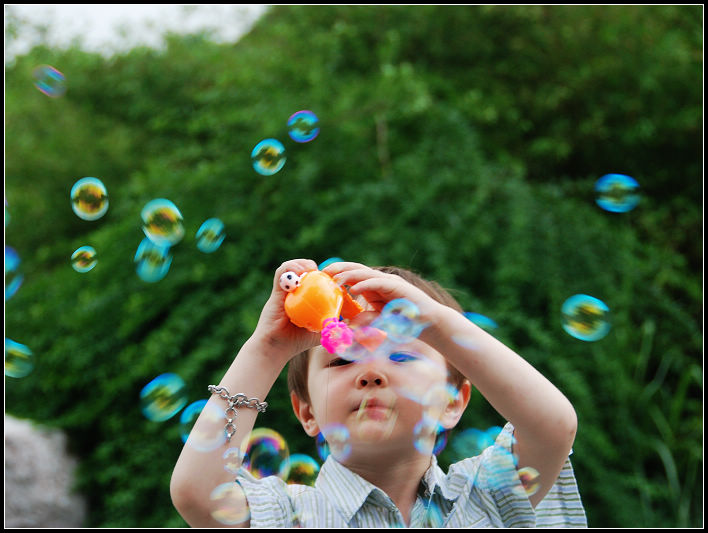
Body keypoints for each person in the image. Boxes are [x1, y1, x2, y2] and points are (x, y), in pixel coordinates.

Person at [170, 259, 587, 527]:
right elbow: (196, 493)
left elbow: (552, 427)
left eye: (402, 357)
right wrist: (269, 348)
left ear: (454, 401)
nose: (371, 374)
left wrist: (437, 323)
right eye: (342, 360)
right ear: (306, 412)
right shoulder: (288, 516)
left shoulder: (486, 496)